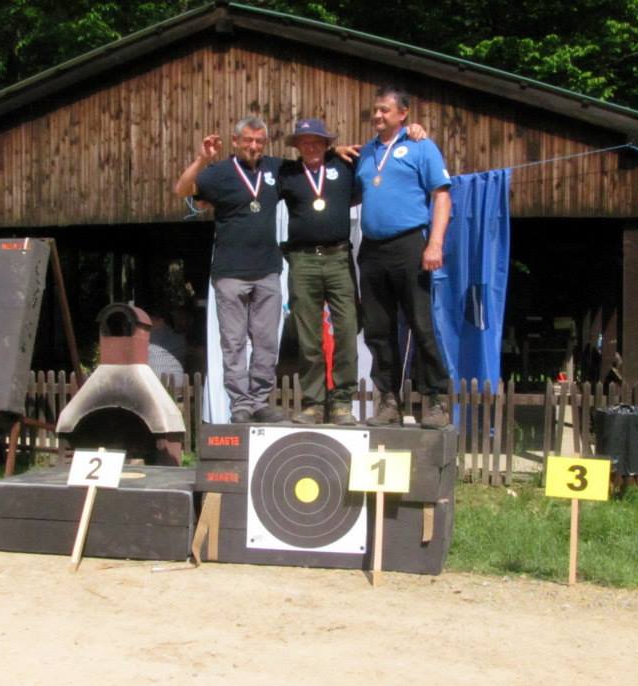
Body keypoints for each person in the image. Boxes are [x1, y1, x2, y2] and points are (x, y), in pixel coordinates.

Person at [352, 86, 453, 429]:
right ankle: (388, 400)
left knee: (421, 325)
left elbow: (441, 197)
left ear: (403, 114)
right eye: (375, 110)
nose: (377, 116)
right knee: (377, 330)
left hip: (410, 244)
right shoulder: (366, 152)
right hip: (372, 249)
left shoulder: (421, 146)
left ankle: (435, 399)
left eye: (384, 110)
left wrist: (435, 243)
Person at [175, 117, 285, 424]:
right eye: (248, 140)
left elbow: (310, 166)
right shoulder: (218, 173)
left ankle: (260, 401)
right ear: (235, 142)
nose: (253, 146)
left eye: (259, 141)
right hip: (230, 272)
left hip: (267, 271)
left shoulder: (274, 168)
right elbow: (181, 189)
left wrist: (336, 149)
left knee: (266, 341)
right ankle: (240, 404)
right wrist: (202, 159)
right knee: (234, 343)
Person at [277, 119, 359, 426]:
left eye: (317, 141)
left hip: (338, 257)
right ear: (296, 146)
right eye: (304, 142)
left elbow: (378, 165)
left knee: (347, 329)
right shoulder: (287, 173)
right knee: (307, 335)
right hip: (302, 260)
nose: (311, 147)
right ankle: (313, 402)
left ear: (327, 144)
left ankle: (341, 402)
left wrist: (414, 133)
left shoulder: (346, 165)